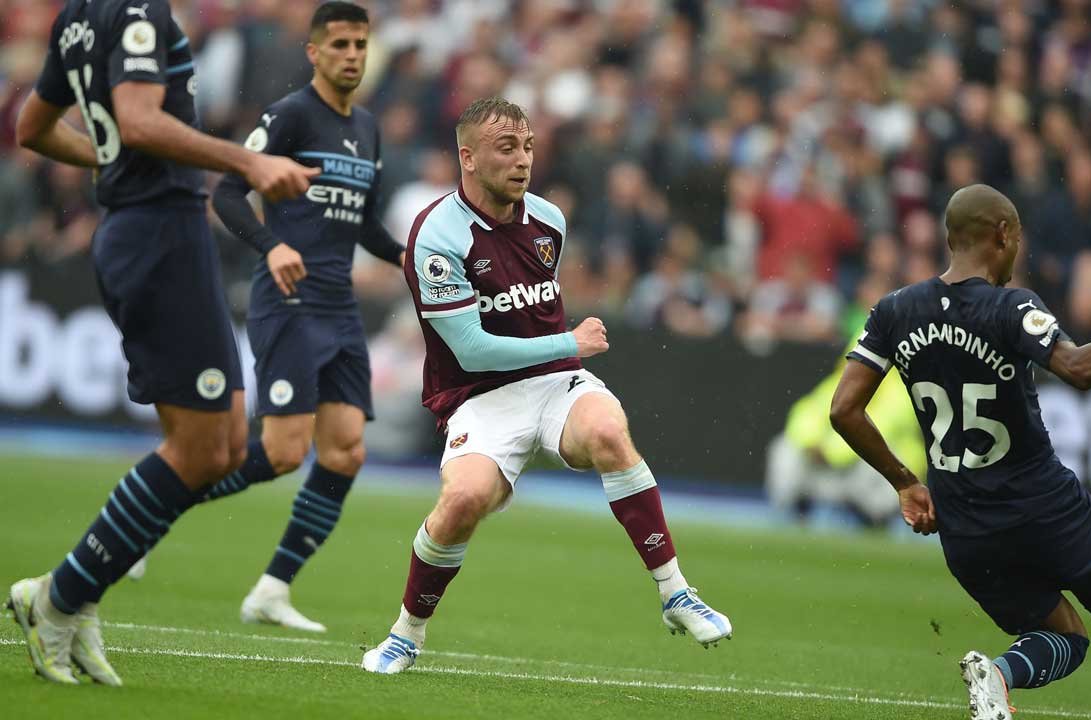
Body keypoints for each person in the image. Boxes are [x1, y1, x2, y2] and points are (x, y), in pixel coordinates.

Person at [360, 97, 732, 673]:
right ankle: (407, 634)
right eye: (506, 149)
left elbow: (529, 314)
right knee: (462, 502)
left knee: (609, 432)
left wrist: (564, 356)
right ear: (468, 157)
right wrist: (570, 342)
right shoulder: (436, 234)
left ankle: (675, 592)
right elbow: (472, 349)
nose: (523, 161)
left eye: (528, 147)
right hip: (480, 397)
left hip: (555, 383)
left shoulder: (549, 221)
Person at [6, 0, 316, 686]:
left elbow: (32, 126)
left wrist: (106, 158)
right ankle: (58, 599)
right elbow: (141, 121)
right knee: (202, 449)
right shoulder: (138, 10)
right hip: (158, 237)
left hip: (156, 232)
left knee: (226, 444)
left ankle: (77, 593)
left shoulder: (80, 17)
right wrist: (247, 163)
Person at [829, 183, 1091, 720]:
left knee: (1060, 634)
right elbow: (1079, 369)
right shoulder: (1012, 308)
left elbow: (844, 409)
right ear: (1003, 235)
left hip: (963, 523)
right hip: (1042, 504)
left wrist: (904, 481)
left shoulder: (896, 309)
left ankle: (998, 677)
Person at [127, 1, 407, 634]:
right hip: (288, 303)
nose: (353, 55)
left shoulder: (367, 126)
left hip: (340, 308)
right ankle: (149, 514)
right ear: (314, 53)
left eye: (361, 45)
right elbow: (225, 191)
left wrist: (405, 256)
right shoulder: (288, 116)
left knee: (345, 452)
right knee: (283, 451)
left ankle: (272, 590)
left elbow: (360, 219)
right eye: (339, 45)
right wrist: (272, 245)